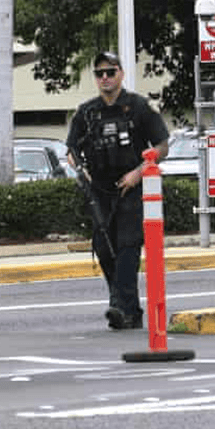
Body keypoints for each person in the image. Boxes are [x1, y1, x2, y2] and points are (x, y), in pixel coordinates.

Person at [66, 51, 170, 330]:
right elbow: (72, 149)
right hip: (99, 189)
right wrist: (80, 169)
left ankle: (119, 306)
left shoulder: (139, 107)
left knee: (126, 247)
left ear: (121, 74)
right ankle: (128, 309)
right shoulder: (87, 112)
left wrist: (138, 173)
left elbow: (162, 145)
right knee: (104, 247)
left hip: (131, 188)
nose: (105, 78)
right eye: (99, 74)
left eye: (110, 72)